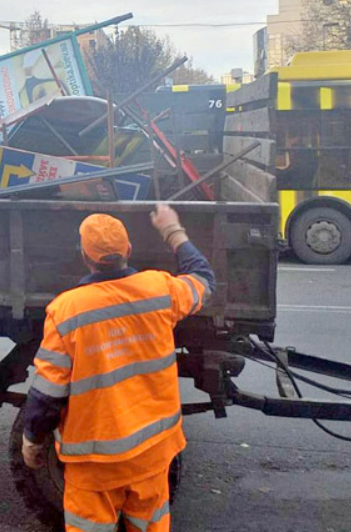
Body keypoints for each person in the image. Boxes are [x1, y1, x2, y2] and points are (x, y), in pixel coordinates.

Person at [22, 204, 215, 532]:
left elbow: (48, 394)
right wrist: (173, 230)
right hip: (152, 456)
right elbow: (204, 281)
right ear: (128, 250)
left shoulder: (67, 312)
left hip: (95, 467)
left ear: (84, 255)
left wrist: (32, 440)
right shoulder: (160, 290)